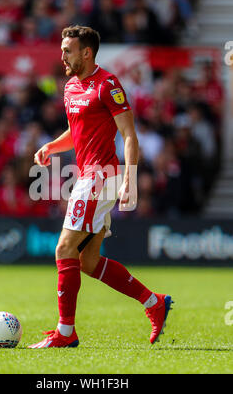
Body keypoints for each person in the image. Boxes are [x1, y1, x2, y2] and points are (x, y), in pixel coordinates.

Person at [28, 25, 173, 349]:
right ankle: (154, 303)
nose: (62, 55)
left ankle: (66, 333)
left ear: (86, 52)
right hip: (86, 175)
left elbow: (130, 136)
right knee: (88, 262)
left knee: (64, 249)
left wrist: (129, 179)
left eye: (68, 49)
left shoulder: (108, 85)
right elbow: (76, 130)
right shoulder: (70, 88)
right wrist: (52, 146)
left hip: (101, 176)